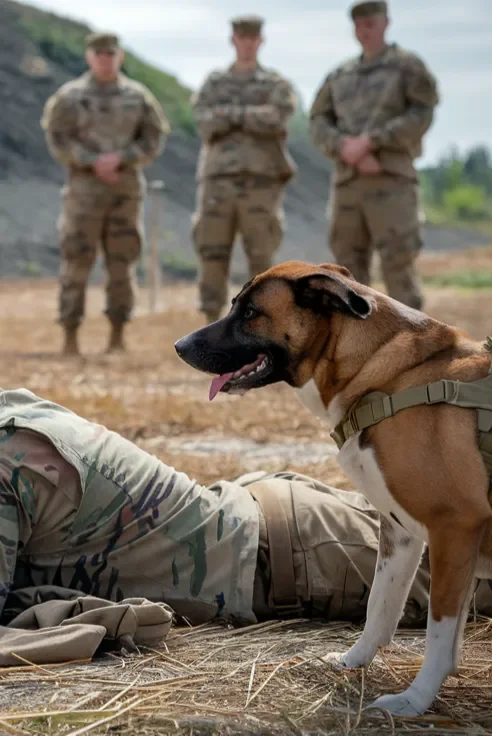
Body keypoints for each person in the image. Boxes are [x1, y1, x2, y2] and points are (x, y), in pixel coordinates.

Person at [2, 386, 492, 666]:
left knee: (481, 568)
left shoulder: (9, 458)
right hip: (281, 521)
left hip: (303, 554)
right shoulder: (12, 414)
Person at [41, 32, 170, 356]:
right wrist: (91, 161)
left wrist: (122, 158)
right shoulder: (70, 97)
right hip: (84, 192)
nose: (104, 59)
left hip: (124, 192)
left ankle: (117, 336)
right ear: (89, 57)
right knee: (76, 262)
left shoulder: (139, 97)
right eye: (99, 54)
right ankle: (70, 336)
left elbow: (154, 138)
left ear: (119, 56)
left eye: (110, 54)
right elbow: (57, 138)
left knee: (122, 263)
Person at [309, 1, 439, 310]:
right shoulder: (339, 75)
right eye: (358, 24)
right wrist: (344, 147)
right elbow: (317, 121)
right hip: (349, 184)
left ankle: (410, 352)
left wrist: (372, 142)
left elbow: (422, 112)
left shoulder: (407, 67)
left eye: (370, 23)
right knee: (346, 274)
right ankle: (356, 351)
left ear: (385, 23)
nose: (364, 30)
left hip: (391, 181)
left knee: (399, 267)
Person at [190, 15, 298, 324]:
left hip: (260, 184)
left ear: (260, 41)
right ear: (233, 40)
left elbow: (277, 117)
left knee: (261, 259)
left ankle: (259, 328)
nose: (247, 43)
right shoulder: (214, 83)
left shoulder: (276, 84)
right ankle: (210, 326)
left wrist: (230, 115)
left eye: (253, 38)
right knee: (212, 254)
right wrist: (253, 117)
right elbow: (205, 120)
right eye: (242, 38)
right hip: (217, 183)